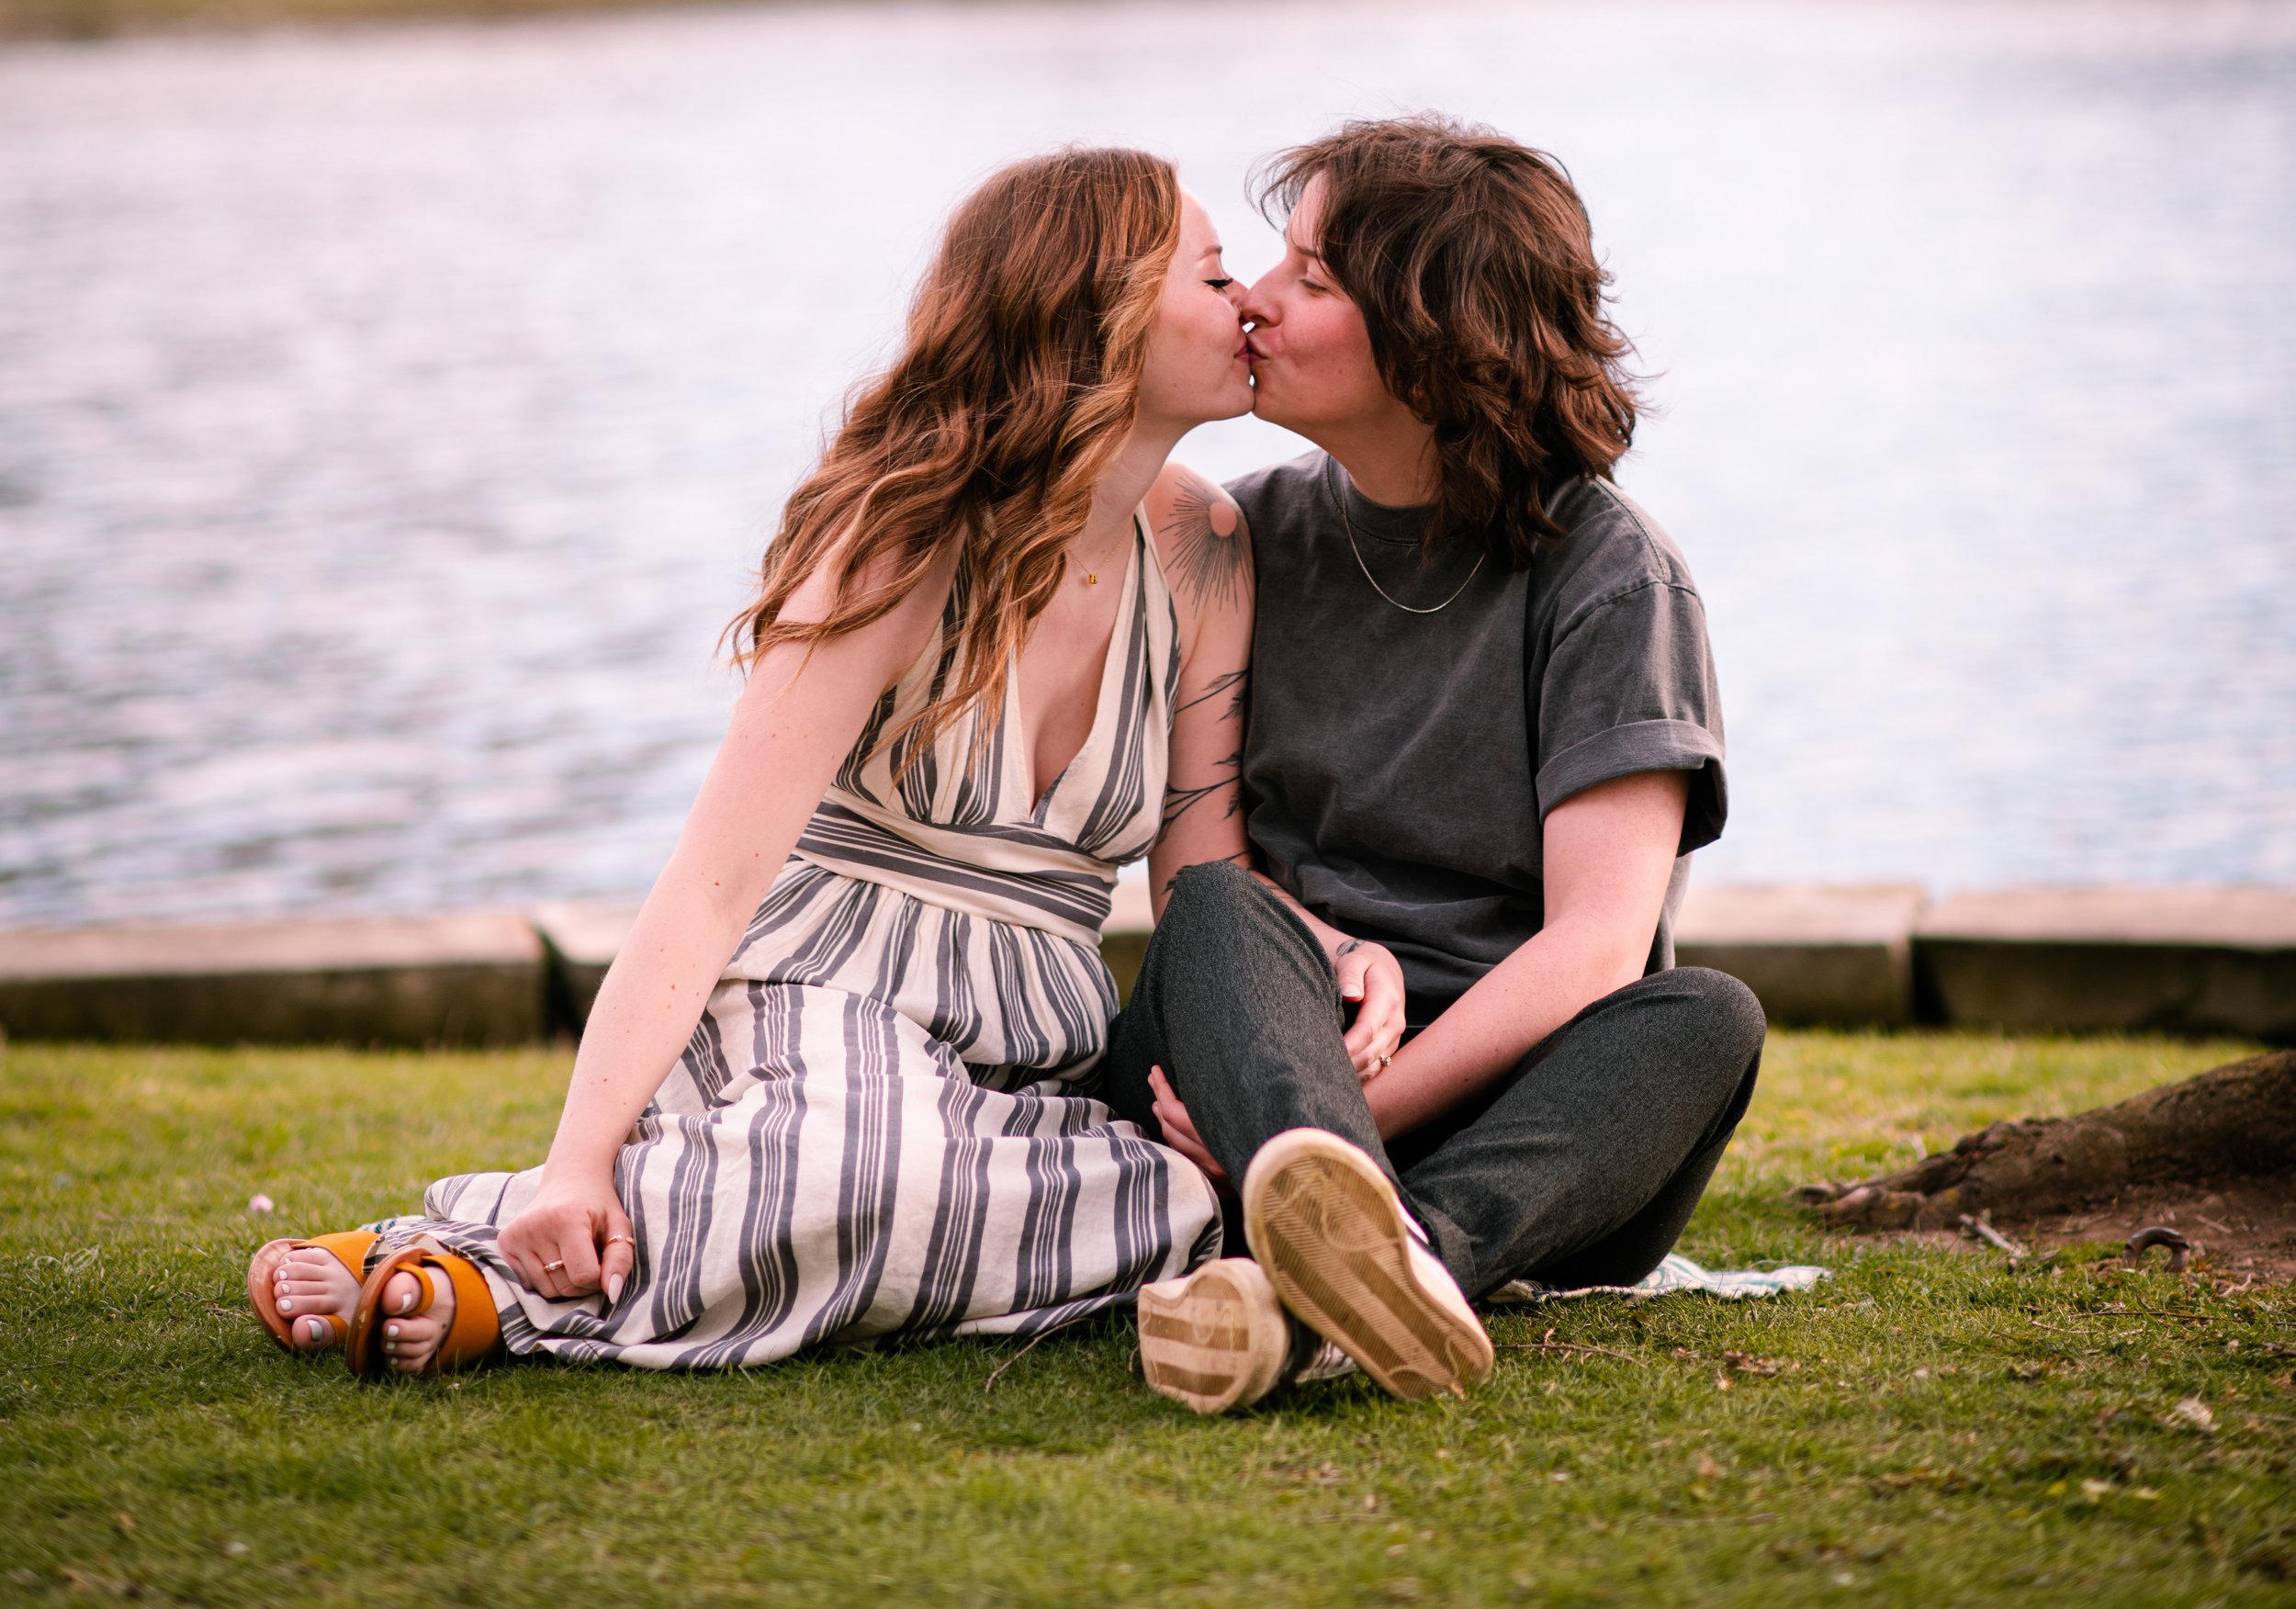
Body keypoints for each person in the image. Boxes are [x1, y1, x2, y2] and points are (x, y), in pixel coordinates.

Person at [248, 149, 1259, 1378]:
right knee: (865, 1166)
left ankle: (540, 1222)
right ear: (1104, 310)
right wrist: (578, 1151)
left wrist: (1243, 1057)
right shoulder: (906, 534)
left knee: (1189, 1194)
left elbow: (1205, 881)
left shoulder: (1206, 550)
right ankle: (499, 1276)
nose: (1251, 300)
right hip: (823, 991)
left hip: (1035, 1034)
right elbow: (713, 881)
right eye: (1215, 276)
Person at [1113, 116, 1766, 1414]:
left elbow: (1592, 945)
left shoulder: (1606, 574)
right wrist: (1295, 1068)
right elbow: (1209, 865)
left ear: (1433, 334)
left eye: (1310, 279)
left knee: (1706, 1021)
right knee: (1217, 913)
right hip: (1278, 1053)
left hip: (1516, 1116)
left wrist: (1340, 1142)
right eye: (1272, 266)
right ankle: (1376, 1268)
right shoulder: (1250, 537)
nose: (1254, 300)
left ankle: (1374, 1257)